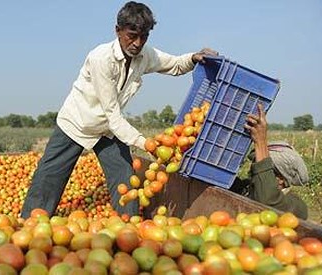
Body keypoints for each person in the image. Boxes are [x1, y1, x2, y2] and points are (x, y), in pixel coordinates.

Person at [20, 1, 218, 218]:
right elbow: (113, 115)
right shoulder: (101, 59)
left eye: (143, 37)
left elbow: (174, 64)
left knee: (124, 175)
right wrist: (146, 143)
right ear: (118, 31)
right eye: (131, 35)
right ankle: (30, 223)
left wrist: (193, 57)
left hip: (107, 129)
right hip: (77, 122)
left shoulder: (145, 55)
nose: (137, 43)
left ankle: (128, 226)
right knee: (50, 176)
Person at [230, 104, 309, 220]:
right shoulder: (249, 188)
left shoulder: (296, 206)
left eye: (261, 167)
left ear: (281, 179)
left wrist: (260, 141)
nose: (253, 169)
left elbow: (267, 200)